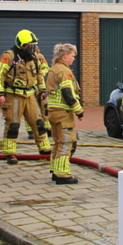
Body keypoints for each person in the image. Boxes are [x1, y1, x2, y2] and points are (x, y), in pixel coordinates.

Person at [0, 29, 52, 164]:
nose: (31, 48)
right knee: (13, 124)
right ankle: (10, 152)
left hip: (30, 94)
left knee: (38, 123)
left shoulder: (34, 58)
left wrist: (42, 90)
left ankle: (45, 149)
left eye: (32, 45)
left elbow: (38, 75)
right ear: (21, 44)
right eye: (28, 45)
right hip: (13, 95)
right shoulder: (9, 56)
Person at [45, 43, 83, 185]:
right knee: (66, 142)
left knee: (58, 142)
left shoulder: (54, 69)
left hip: (54, 112)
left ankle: (55, 170)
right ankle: (63, 174)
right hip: (63, 113)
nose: (74, 59)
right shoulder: (64, 71)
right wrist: (79, 110)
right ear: (65, 56)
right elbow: (68, 93)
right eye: (72, 56)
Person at [25, 44, 53, 140]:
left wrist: (41, 73)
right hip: (30, 86)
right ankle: (31, 131)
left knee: (44, 107)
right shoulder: (24, 57)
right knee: (29, 108)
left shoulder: (40, 57)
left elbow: (46, 67)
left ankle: (47, 128)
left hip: (40, 85)